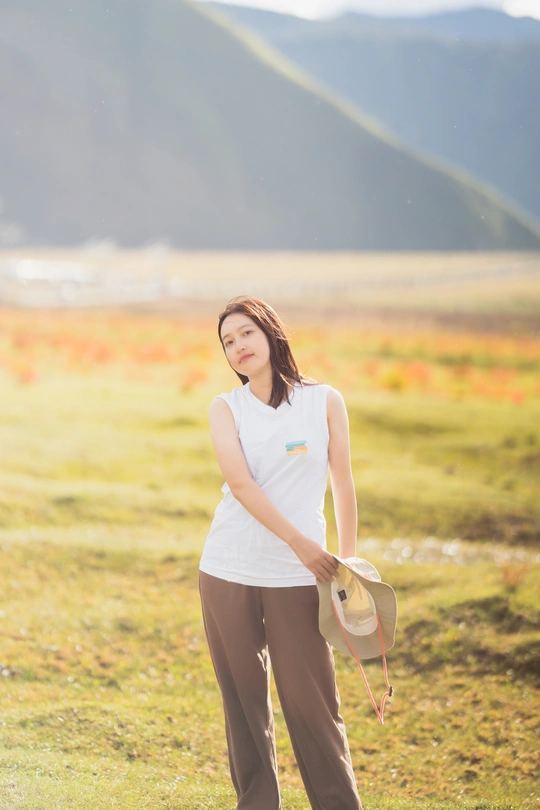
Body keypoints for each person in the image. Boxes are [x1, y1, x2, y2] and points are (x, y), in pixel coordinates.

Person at [199, 295, 363, 810]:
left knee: (314, 704)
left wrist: (349, 565)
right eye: (228, 341)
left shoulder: (325, 400)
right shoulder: (226, 408)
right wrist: (301, 544)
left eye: (246, 333)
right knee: (245, 704)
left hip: (300, 578)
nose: (238, 346)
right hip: (228, 569)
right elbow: (242, 486)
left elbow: (343, 484)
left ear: (270, 332)